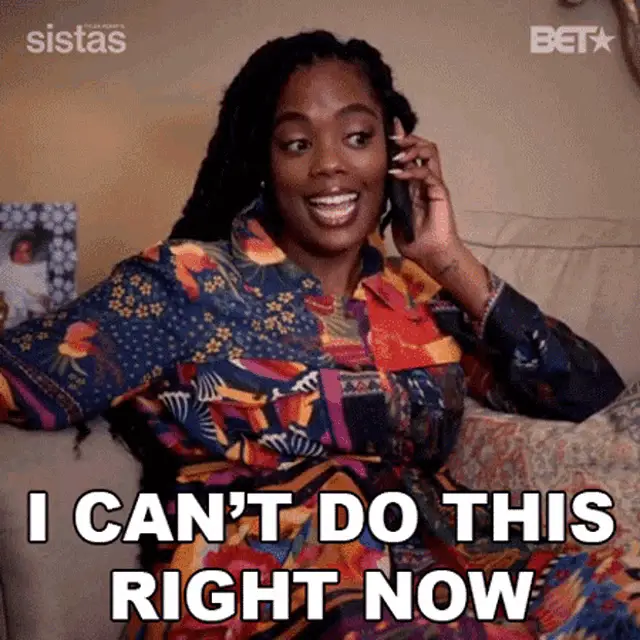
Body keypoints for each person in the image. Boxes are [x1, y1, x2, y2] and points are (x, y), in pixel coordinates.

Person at [0, 30, 635, 639]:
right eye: (297, 144)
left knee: (619, 592)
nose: (330, 164)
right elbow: (20, 380)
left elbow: (592, 398)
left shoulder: (420, 297)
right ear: (265, 161)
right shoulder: (188, 281)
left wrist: (449, 259)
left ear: (395, 153)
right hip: (265, 591)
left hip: (444, 574)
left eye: (358, 138)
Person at [0, 231, 51, 329]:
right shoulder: (5, 266)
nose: (21, 255)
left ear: (32, 254)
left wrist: (42, 302)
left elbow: (43, 298)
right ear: (12, 252)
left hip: (25, 309)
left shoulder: (37, 270)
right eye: (18, 251)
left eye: (26, 252)